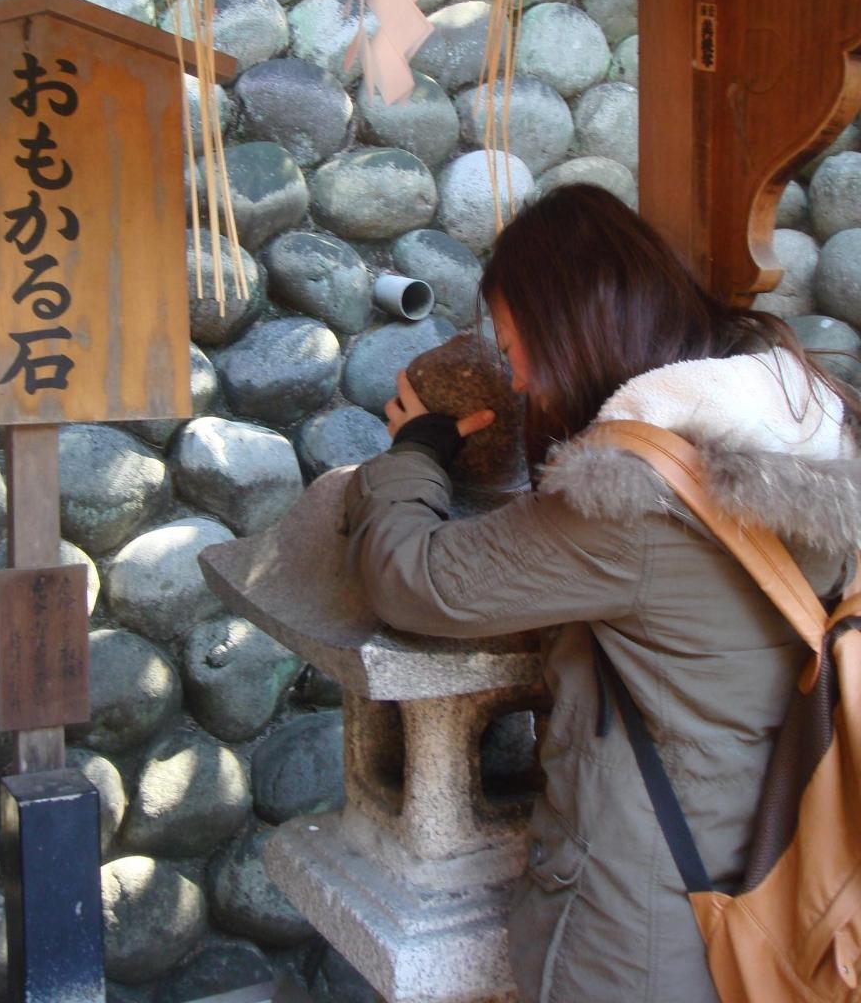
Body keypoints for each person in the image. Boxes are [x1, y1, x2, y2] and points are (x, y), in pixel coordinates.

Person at [344, 184, 861, 1003]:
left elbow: (417, 579)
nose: (517, 381)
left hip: (647, 925)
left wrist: (414, 454)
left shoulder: (633, 500)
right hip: (778, 868)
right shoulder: (803, 426)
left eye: (515, 348)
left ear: (571, 329)